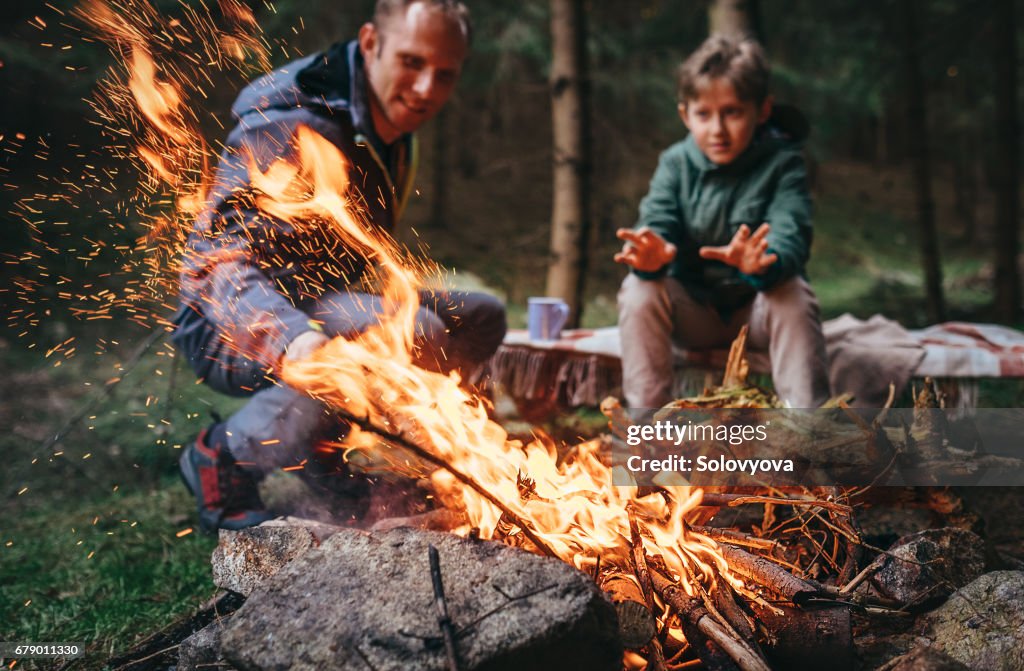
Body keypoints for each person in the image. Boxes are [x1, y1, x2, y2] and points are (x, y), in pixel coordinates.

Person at [173, 0, 507, 532]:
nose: (426, 90)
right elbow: (216, 263)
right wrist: (290, 338)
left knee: (482, 316)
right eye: (412, 62)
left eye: (445, 75)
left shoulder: (386, 119)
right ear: (371, 42)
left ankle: (335, 450)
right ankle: (222, 457)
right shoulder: (295, 120)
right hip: (233, 321)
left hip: (315, 299)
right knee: (412, 331)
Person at [615, 35, 830, 410]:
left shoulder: (784, 163)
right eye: (704, 115)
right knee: (638, 291)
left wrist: (765, 261)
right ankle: (648, 430)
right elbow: (658, 220)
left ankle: (808, 432)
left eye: (732, 112)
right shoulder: (675, 163)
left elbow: (791, 232)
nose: (717, 129)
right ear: (685, 115)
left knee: (793, 293)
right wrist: (656, 253)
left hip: (757, 314)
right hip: (693, 314)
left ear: (762, 111)